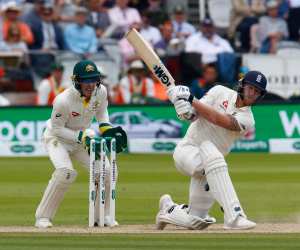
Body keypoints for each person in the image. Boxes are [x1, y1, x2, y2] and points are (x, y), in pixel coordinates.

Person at [156, 70, 267, 230]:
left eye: (257, 91)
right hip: (188, 151)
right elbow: (192, 115)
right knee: (209, 148)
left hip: (211, 168)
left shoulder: (248, 120)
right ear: (242, 86)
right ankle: (234, 216)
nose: (252, 93)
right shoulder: (219, 91)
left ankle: (168, 209)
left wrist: (190, 99)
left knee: (196, 221)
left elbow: (219, 119)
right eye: (251, 88)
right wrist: (181, 105)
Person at [35, 59, 127, 228]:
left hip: (82, 138)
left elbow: (102, 112)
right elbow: (56, 129)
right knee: (66, 173)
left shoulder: (101, 92)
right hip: (58, 139)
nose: (90, 85)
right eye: (86, 80)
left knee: (107, 171)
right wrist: (82, 136)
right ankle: (43, 217)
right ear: (76, 81)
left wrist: (106, 128)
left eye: (93, 79)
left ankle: (102, 216)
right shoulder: (62, 101)